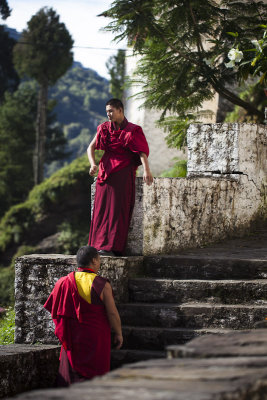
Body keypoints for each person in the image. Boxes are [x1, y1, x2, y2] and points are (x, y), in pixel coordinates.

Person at [43, 245, 123, 386]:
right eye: (99, 260)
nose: (99, 263)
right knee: (95, 373)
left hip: (71, 337)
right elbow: (112, 312)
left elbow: (54, 309)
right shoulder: (101, 284)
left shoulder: (62, 282)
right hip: (95, 338)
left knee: (71, 375)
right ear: (93, 261)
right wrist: (118, 333)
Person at [87, 98, 153, 256]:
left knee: (118, 210)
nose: (108, 114)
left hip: (123, 173)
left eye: (111, 111)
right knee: (101, 210)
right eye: (107, 112)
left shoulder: (133, 130)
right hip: (105, 173)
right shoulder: (104, 128)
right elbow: (91, 147)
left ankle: (112, 247)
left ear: (120, 110)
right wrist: (92, 164)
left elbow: (141, 152)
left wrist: (146, 170)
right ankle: (97, 246)